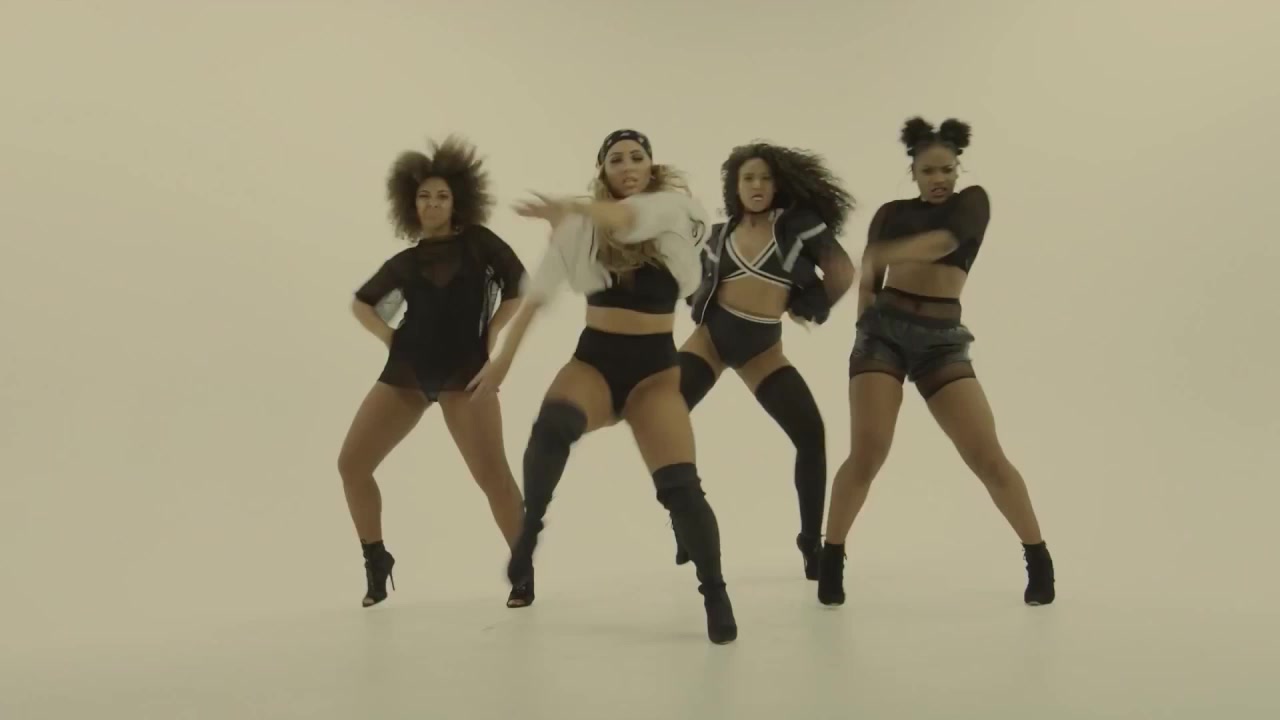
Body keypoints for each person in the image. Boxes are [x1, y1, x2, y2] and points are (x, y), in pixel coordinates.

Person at [466, 129, 739, 644]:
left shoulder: (675, 208)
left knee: (681, 487)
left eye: (637, 157)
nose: (628, 166)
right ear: (603, 170)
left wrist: (571, 209)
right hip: (594, 362)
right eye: (616, 159)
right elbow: (538, 296)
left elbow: (630, 218)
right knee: (552, 427)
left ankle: (715, 592)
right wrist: (502, 361)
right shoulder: (582, 225)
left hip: (654, 373)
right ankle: (531, 527)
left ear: (652, 165)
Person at [817, 117, 1055, 608]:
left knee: (987, 456)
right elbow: (870, 279)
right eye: (929, 171)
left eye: (947, 169)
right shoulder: (891, 213)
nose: (939, 178)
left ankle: (1038, 556)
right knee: (868, 453)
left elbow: (942, 244)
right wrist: (863, 328)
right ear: (913, 172)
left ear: (958, 167)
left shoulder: (972, 203)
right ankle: (831, 556)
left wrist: (883, 251)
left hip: (942, 342)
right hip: (882, 335)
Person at [337, 136, 529, 609]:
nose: (433, 203)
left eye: (442, 195)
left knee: (493, 476)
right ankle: (376, 559)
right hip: (407, 372)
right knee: (352, 465)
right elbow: (362, 304)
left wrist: (493, 331)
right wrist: (389, 338)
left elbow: (519, 287)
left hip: (466, 374)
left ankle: (522, 566)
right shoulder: (404, 263)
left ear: (458, 200)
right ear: (411, 204)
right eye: (424, 196)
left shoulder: (479, 244)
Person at [674, 142, 856, 579]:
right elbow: (687, 279)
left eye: (766, 178)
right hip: (710, 340)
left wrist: (810, 304)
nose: (757, 185)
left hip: (762, 351)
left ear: (778, 185)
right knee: (662, 415)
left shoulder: (796, 227)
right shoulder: (718, 235)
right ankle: (685, 518)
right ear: (734, 187)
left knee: (810, 435)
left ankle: (810, 541)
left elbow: (843, 271)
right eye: (748, 178)